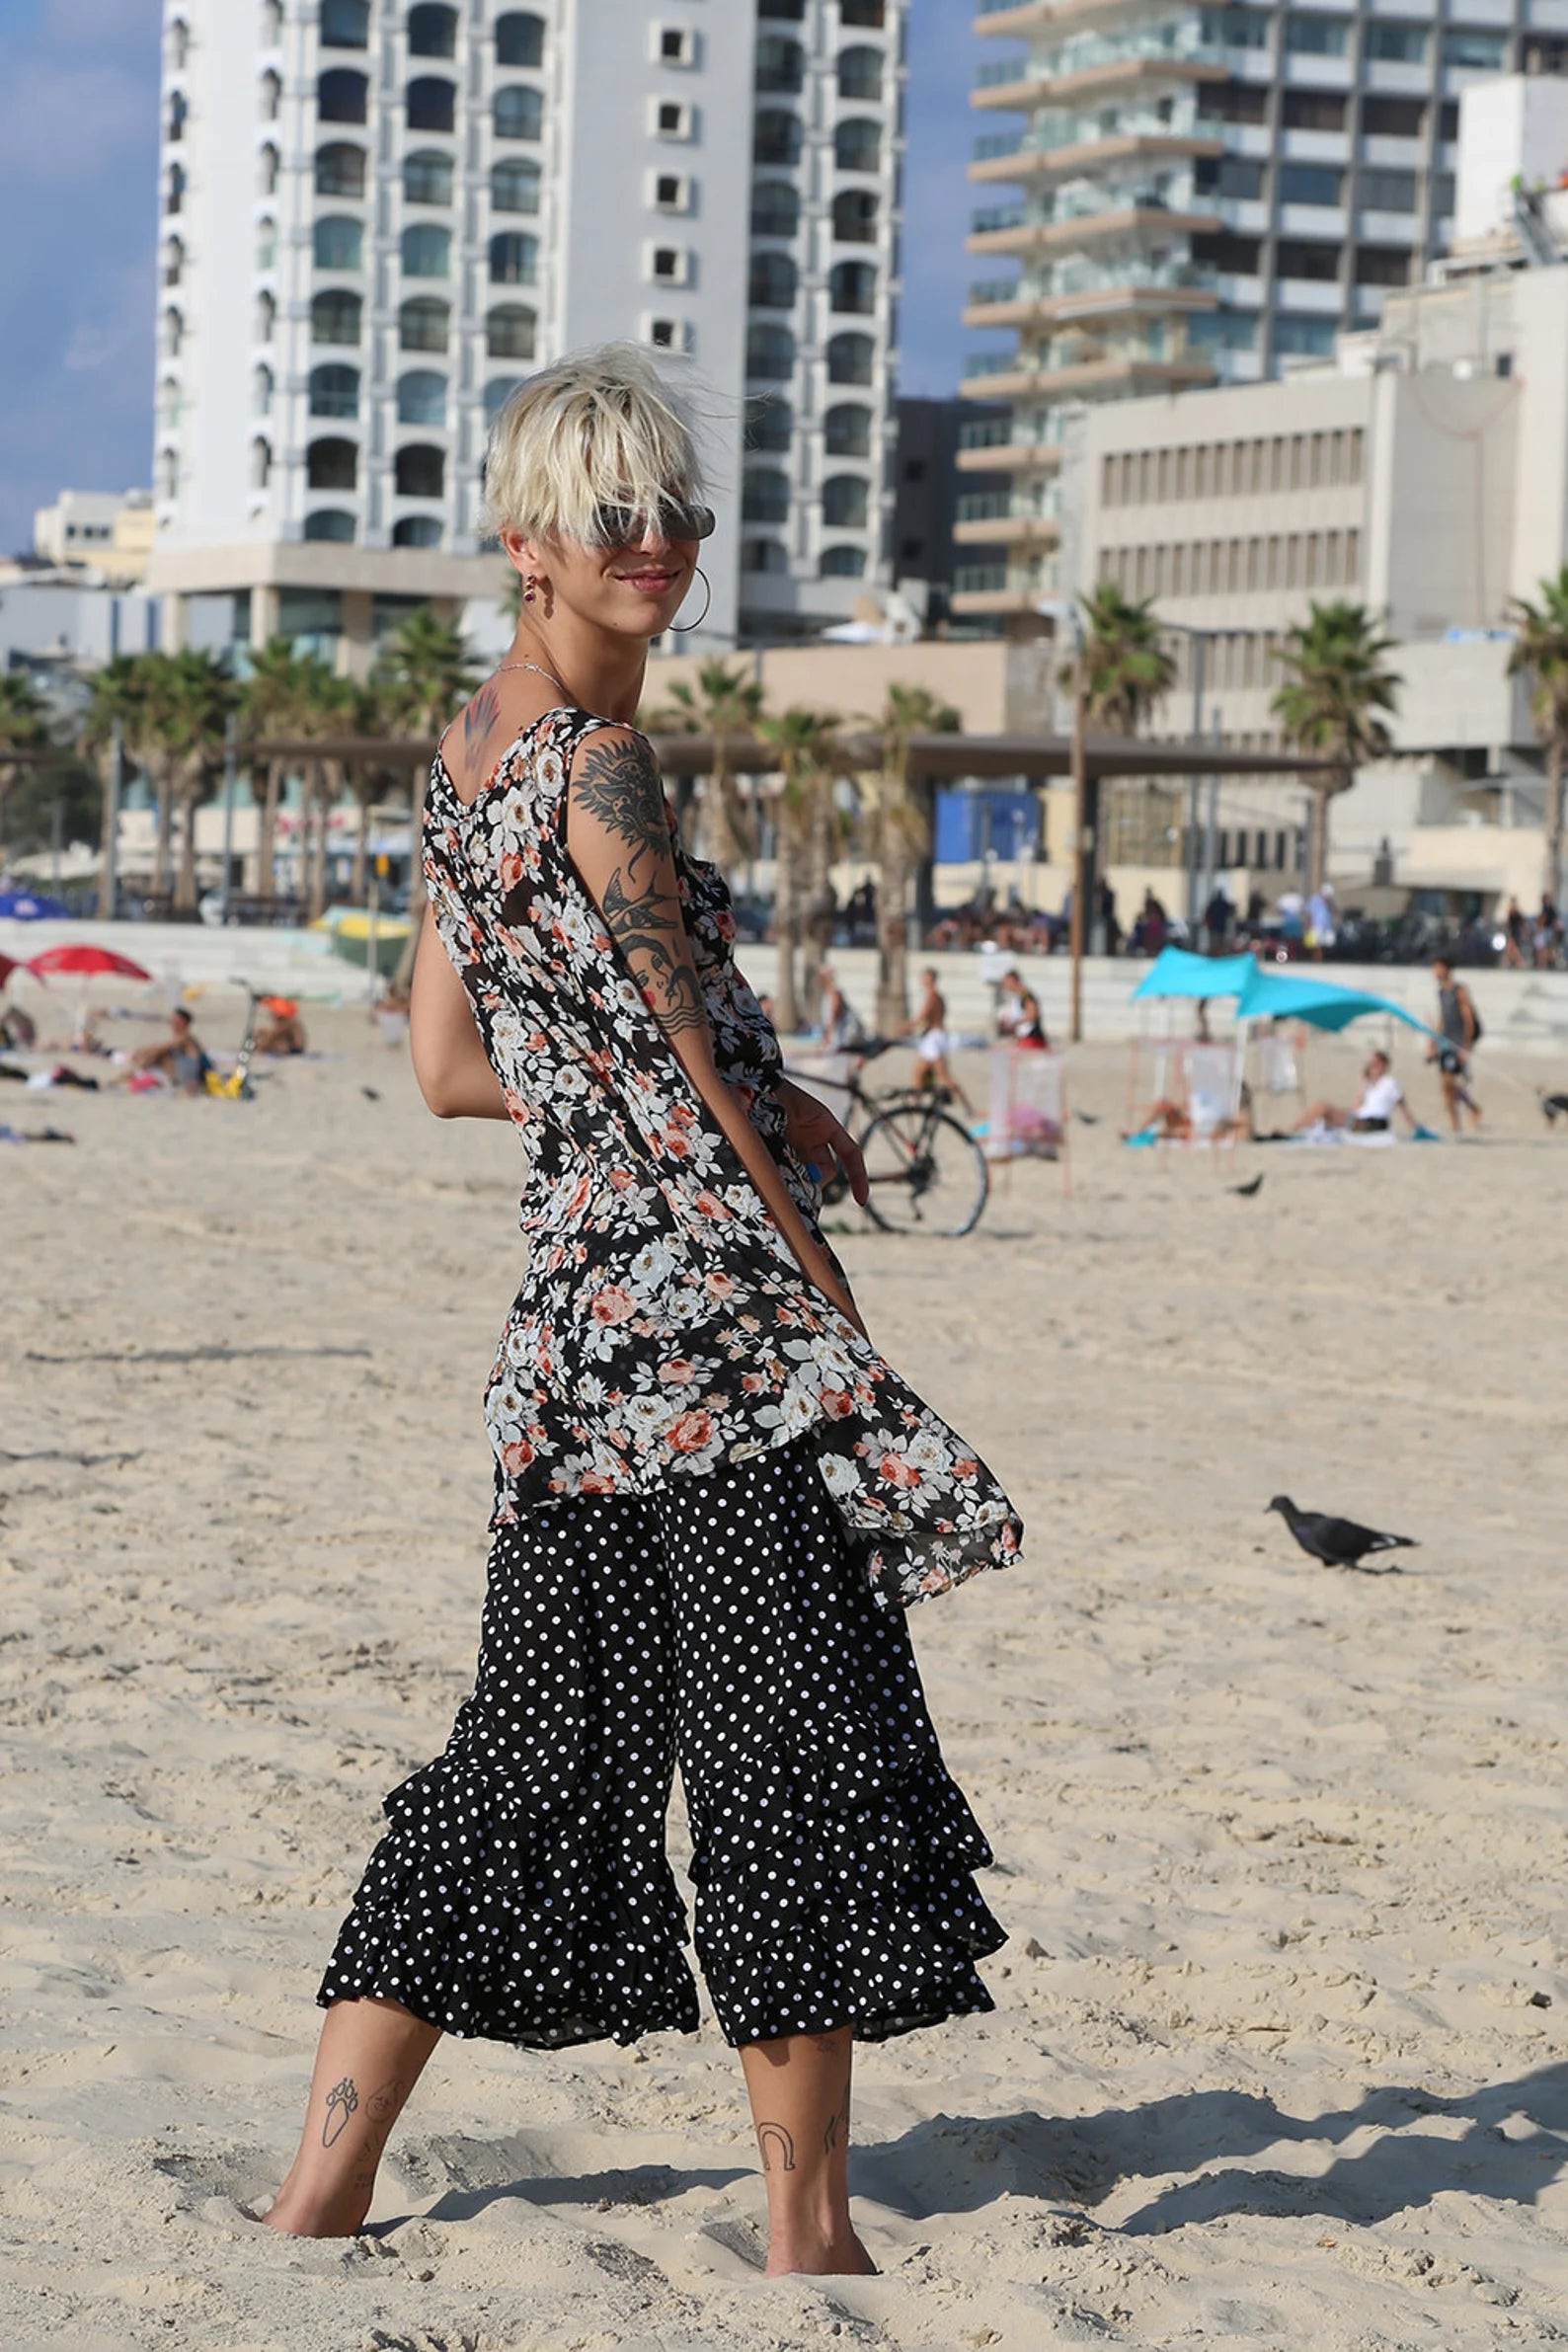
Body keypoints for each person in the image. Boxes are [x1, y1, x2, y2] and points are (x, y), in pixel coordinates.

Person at [261, 345, 1022, 2273]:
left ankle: (318, 2189)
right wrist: (823, 1294)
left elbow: (450, 1064)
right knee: (788, 1751)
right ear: (527, 541)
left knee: (526, 1763)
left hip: (567, 1345)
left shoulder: (464, 762)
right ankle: (807, 2233)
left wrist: (676, 1094)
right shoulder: (604, 767)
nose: (658, 544)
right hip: (702, 1343)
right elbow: (686, 1075)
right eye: (614, 518)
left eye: (675, 510)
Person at [1295, 1048, 1416, 1137]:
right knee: (1324, 1114)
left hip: (1371, 1122)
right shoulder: (1371, 1086)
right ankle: (1298, 1129)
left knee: (1321, 1106)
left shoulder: (1390, 1082)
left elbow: (1403, 1106)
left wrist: (1414, 1127)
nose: (1371, 1067)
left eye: (1374, 1064)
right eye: (1370, 1065)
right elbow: (1356, 1108)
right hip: (1360, 1120)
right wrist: (1364, 1082)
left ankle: (1294, 1130)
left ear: (1384, 1065)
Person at [905, 964, 973, 1112]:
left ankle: (966, 1106)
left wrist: (903, 1027)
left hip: (934, 1038)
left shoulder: (933, 997)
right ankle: (917, 1103)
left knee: (942, 1075)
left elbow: (922, 1017)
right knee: (921, 1072)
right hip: (934, 1037)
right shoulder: (937, 996)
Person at [1429, 958, 1482, 1133]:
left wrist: (1466, 1047)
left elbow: (1468, 1020)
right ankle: (1458, 1120)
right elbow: (1442, 1018)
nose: (1435, 972)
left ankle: (1467, 1113)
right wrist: (1433, 1042)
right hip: (1445, 1043)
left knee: (1448, 1081)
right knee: (1446, 1087)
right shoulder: (1441, 992)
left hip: (1457, 1044)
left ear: (1447, 969)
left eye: (1437, 968)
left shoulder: (1460, 991)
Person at [118, 1005, 211, 1094]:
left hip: (193, 1077)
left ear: (184, 1022)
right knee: (156, 1055)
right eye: (171, 1020)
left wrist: (139, 1051)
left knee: (159, 1054)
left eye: (175, 1020)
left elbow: (163, 1047)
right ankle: (122, 1078)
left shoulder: (186, 1038)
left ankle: (120, 1079)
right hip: (181, 1074)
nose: (172, 1023)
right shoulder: (180, 1038)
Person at [818, 965, 867, 1053]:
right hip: (834, 1035)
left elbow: (835, 1012)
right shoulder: (828, 993)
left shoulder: (835, 992)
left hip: (838, 1036)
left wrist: (828, 1033)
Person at [995, 967, 1048, 1050]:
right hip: (1024, 1038)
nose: (1005, 984)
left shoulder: (1024, 994)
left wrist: (1015, 1023)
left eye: (1007, 981)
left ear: (1014, 981)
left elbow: (1033, 1014)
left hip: (1032, 1037)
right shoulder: (1015, 996)